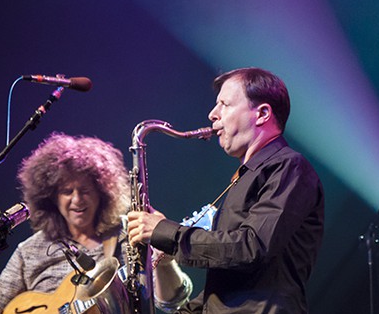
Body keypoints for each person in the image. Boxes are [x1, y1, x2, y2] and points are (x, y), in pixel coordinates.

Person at [127, 67, 325, 314]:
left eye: (225, 104)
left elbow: (251, 248)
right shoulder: (244, 179)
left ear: (262, 114)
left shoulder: (289, 166)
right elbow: (224, 293)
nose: (212, 114)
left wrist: (165, 232)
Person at [0, 133, 193, 314]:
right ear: (51, 197)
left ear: (103, 193)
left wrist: (164, 260)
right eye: (66, 192)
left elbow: (172, 303)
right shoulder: (28, 250)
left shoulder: (131, 232)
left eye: (85, 190)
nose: (77, 200)